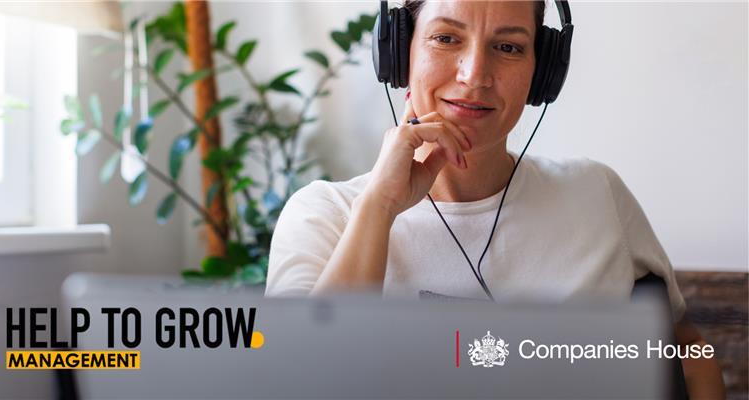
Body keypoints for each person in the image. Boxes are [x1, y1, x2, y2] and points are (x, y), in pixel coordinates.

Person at [265, 1, 725, 397]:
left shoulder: (596, 193)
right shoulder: (322, 216)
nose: (475, 75)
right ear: (398, 53)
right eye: (446, 38)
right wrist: (379, 207)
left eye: (507, 47)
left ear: (542, 72)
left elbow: (688, 350)